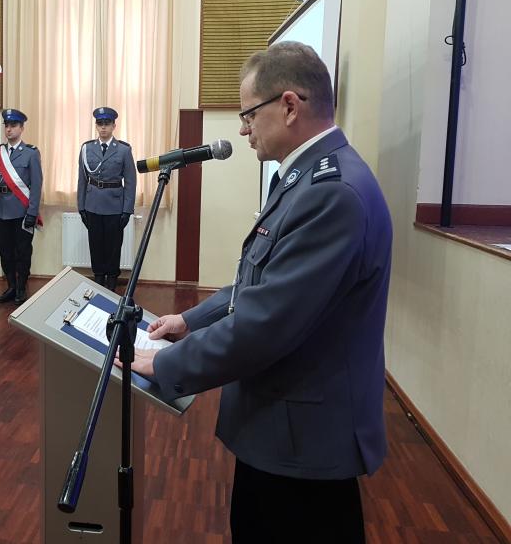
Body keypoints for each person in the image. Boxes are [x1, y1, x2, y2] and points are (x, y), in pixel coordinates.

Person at [123, 42, 392, 543]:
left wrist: (165, 366)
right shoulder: (307, 178)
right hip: (285, 429)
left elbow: (265, 324)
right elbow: (260, 284)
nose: (242, 130)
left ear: (289, 106)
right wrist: (189, 322)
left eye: (248, 114)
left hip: (304, 446)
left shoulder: (331, 194)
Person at [0, 108, 42, 304]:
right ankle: (11, 286)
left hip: (22, 210)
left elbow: (37, 185)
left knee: (22, 252)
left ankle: (21, 287)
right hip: (2, 209)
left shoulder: (31, 153)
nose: (9, 129)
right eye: (6, 125)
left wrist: (32, 212)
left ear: (21, 128)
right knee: (5, 252)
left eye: (13, 125)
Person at [76, 107, 136, 291]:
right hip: (92, 205)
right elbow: (82, 179)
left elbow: (131, 182)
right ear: (96, 126)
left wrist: (127, 210)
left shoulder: (124, 150)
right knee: (95, 245)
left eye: (106, 124)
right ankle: (99, 280)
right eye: (100, 124)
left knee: (113, 247)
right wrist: (81, 207)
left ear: (113, 126)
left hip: (114, 206)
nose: (103, 128)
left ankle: (111, 282)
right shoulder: (87, 148)